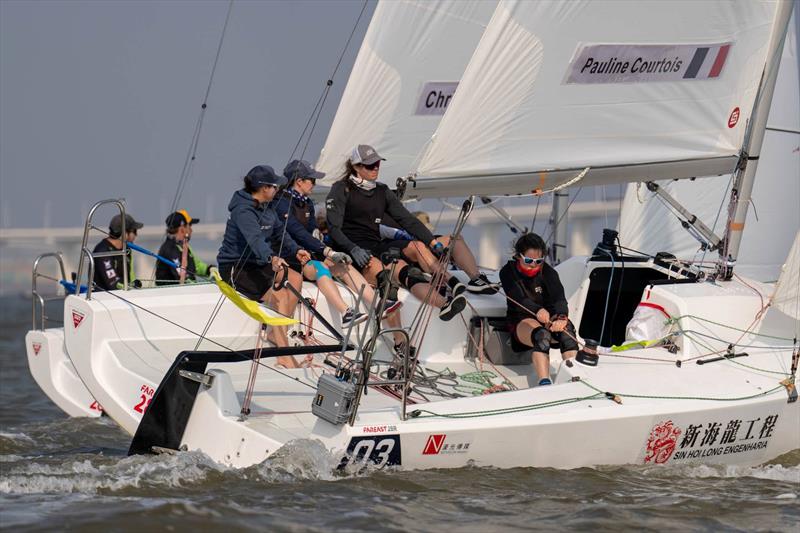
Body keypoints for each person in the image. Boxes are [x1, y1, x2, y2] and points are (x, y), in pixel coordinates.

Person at [325, 144, 466, 321]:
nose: (375, 168)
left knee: (418, 246)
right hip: (353, 251)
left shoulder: (382, 191)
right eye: (370, 165)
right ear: (356, 167)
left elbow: (408, 220)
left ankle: (450, 285)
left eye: (377, 163)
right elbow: (334, 228)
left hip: (376, 245)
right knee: (403, 274)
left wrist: (432, 242)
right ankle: (438, 306)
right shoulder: (341, 189)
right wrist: (352, 248)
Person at [217, 165, 310, 368]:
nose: (277, 189)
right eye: (274, 186)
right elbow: (255, 239)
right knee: (279, 298)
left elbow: (279, 233)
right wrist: (271, 258)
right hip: (236, 267)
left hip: (258, 263)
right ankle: (284, 356)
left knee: (295, 278)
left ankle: (276, 334)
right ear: (264, 188)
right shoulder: (243, 210)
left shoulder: (268, 208)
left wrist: (296, 250)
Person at [273, 159, 374, 328]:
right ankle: (346, 313)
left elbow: (313, 233)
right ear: (299, 181)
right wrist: (328, 252)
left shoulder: (307, 203)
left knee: (342, 264)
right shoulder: (281, 203)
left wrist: (335, 250)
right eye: (311, 180)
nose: (314, 184)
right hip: (292, 260)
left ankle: (376, 305)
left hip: (309, 256)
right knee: (321, 267)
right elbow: (298, 232)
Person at [499, 233, 578, 386]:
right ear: (518, 256)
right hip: (522, 319)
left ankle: (575, 380)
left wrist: (561, 317)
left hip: (547, 318)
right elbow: (518, 299)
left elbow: (559, 298)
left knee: (568, 333)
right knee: (542, 336)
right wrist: (537, 310)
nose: (533, 265)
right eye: (529, 260)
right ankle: (544, 382)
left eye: (538, 261)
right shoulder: (507, 272)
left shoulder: (549, 272)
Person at [381, 210, 500, 295]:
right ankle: (447, 281)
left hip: (418, 241)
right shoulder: (370, 212)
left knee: (454, 239)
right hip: (399, 250)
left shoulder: (390, 203)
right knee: (418, 246)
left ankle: (476, 279)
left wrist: (433, 243)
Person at [155, 209, 213, 286]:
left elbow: (196, 266)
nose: (191, 230)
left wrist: (209, 270)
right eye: (189, 226)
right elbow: (181, 276)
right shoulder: (169, 249)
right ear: (182, 229)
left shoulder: (183, 246)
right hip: (171, 295)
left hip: (182, 293)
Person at [92, 213, 143, 291]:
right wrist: (131, 286)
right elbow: (113, 283)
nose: (136, 235)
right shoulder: (103, 251)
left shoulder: (127, 250)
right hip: (105, 298)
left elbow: (131, 276)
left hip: (123, 295)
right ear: (124, 234)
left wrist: (134, 284)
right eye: (134, 231)